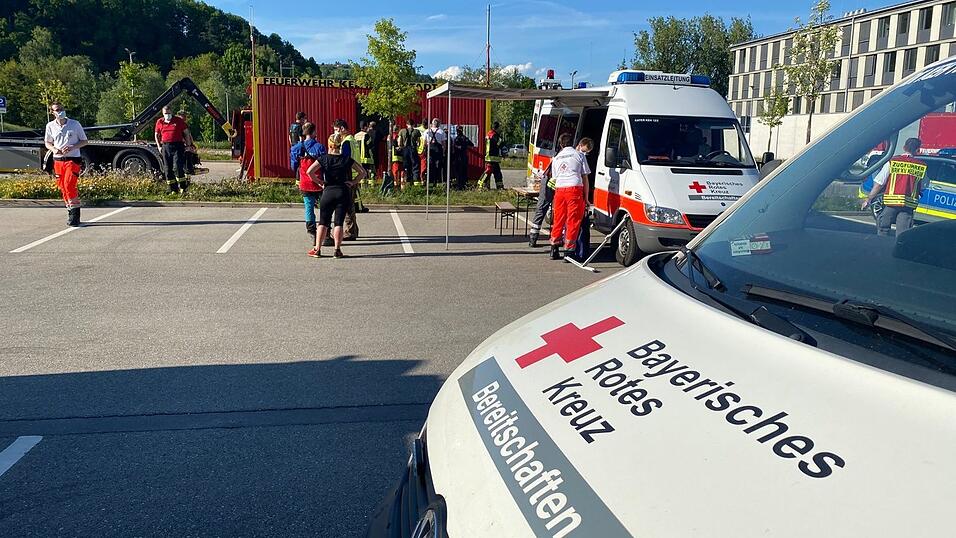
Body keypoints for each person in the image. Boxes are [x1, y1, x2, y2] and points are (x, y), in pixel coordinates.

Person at [306, 132, 368, 258]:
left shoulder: (324, 158)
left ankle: (317, 249)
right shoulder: (346, 159)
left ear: (329, 144)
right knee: (338, 222)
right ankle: (337, 250)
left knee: (323, 222)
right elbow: (362, 172)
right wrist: (353, 182)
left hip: (328, 191)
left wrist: (319, 182)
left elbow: (309, 171)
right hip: (342, 192)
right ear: (340, 145)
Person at [862, 137, 927, 237]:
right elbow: (923, 186)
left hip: (891, 203)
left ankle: (882, 247)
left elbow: (880, 183)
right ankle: (899, 250)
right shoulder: (922, 166)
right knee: (903, 233)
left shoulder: (893, 162)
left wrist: (869, 199)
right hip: (907, 205)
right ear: (918, 150)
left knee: (883, 226)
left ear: (904, 147)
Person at [44, 101, 88, 226]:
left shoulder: (75, 124)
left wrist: (73, 147)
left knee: (69, 185)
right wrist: (54, 149)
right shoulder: (50, 126)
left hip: (72, 159)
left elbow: (84, 141)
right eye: (57, 110)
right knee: (63, 187)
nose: (60, 112)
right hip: (58, 160)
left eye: (61, 109)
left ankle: (75, 215)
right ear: (52, 112)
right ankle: (70, 211)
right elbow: (48, 143)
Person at [548, 135, 593, 260]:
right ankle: (569, 252)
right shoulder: (579, 155)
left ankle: (554, 248)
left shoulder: (556, 158)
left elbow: (555, 177)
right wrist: (586, 198)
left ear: (561, 145)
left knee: (559, 219)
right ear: (573, 143)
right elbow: (585, 178)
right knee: (573, 220)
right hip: (574, 189)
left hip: (560, 190)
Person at [290, 122, 327, 248]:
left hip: (305, 182)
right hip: (319, 182)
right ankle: (325, 233)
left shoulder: (297, 148)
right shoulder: (320, 147)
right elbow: (325, 164)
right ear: (314, 132)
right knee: (324, 207)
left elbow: (293, 165)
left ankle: (312, 231)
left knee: (308, 207)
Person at [528, 145, 560, 247]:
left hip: (550, 183)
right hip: (550, 184)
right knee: (543, 209)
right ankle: (533, 237)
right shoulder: (560, 157)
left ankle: (533, 237)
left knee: (542, 210)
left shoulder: (557, 156)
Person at [155, 105, 190, 193]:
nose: (167, 115)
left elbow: (186, 133)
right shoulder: (160, 122)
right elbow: (156, 135)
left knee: (178, 167)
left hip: (178, 146)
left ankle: (183, 187)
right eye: (165, 113)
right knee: (167, 168)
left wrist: (188, 145)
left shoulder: (178, 121)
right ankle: (173, 189)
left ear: (172, 112)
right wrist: (159, 146)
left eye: (168, 113)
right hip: (166, 146)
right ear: (162, 113)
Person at [479, 121, 504, 190]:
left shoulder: (489, 133)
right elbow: (499, 143)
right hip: (491, 157)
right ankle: (480, 185)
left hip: (493, 158)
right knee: (488, 172)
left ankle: (500, 187)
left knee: (498, 173)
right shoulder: (494, 135)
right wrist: (502, 140)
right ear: (497, 127)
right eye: (500, 128)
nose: (500, 129)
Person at [451, 125, 473, 190]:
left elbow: (454, 147)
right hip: (464, 158)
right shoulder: (465, 138)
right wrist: (465, 147)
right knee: (464, 172)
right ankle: (464, 185)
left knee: (458, 173)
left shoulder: (456, 139)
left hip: (458, 158)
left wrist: (459, 147)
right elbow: (471, 144)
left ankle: (459, 186)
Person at [425, 118, 446, 184]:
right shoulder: (441, 131)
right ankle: (437, 180)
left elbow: (424, 143)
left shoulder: (427, 131)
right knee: (438, 165)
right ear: (439, 124)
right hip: (438, 150)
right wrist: (443, 152)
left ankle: (430, 181)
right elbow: (444, 144)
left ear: (432, 124)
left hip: (430, 149)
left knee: (430, 165)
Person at [399, 118, 421, 184]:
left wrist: (401, 147)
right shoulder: (416, 131)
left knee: (406, 165)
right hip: (413, 149)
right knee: (415, 164)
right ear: (413, 124)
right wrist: (417, 147)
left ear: (406, 124)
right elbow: (418, 142)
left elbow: (399, 141)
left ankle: (407, 180)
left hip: (405, 149)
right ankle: (416, 180)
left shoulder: (402, 131)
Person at [387, 123, 403, 192]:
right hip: (397, 156)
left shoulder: (389, 136)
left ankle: (394, 185)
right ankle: (397, 187)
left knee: (394, 172)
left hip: (391, 156)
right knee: (398, 172)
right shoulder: (397, 136)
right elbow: (399, 145)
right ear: (397, 130)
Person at [417, 119, 428, 184]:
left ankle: (418, 179)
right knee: (423, 165)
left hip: (417, 150)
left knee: (417, 165)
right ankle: (422, 179)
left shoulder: (416, 129)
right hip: (423, 150)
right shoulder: (427, 131)